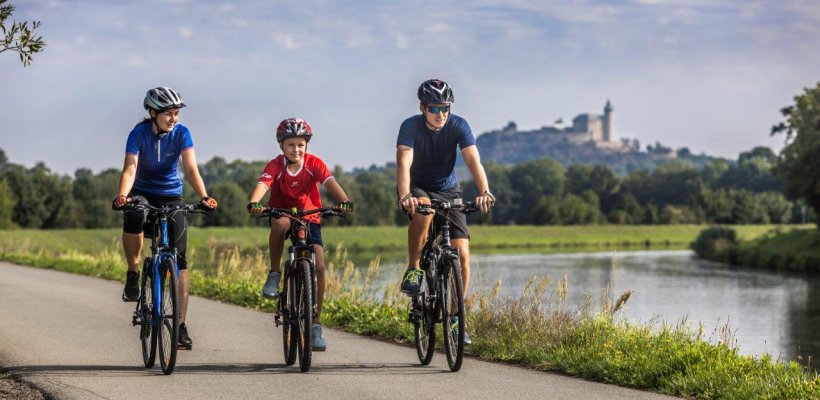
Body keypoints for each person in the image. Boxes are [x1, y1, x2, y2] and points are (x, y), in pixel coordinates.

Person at [113, 86, 218, 350]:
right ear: (153, 113)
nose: (173, 119)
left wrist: (204, 195)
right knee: (135, 213)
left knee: (180, 261)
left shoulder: (182, 133)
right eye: (168, 114)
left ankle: (180, 326)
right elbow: (130, 168)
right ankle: (134, 272)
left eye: (176, 114)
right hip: (142, 193)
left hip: (172, 195)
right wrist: (123, 195)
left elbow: (191, 168)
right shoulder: (138, 133)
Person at [396, 78, 495, 344]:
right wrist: (405, 195)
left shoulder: (459, 125)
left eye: (445, 108)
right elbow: (404, 163)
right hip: (417, 188)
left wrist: (484, 191)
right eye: (434, 108)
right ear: (422, 107)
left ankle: (454, 318)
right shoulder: (410, 127)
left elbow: (473, 159)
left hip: (449, 191)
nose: (441, 114)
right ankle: (415, 268)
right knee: (425, 212)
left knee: (462, 253)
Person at [247, 117, 353, 352]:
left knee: (320, 265)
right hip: (282, 211)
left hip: (310, 215)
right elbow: (263, 185)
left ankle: (315, 324)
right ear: (281, 146)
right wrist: (255, 202)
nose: (296, 149)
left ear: (307, 146)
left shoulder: (314, 163)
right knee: (280, 226)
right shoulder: (275, 165)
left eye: (301, 145)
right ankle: (275, 273)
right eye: (291, 145)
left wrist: (344, 200)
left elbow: (330, 182)